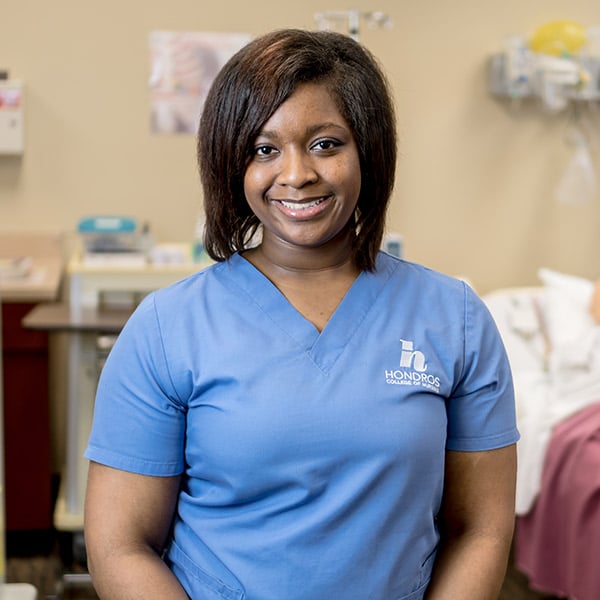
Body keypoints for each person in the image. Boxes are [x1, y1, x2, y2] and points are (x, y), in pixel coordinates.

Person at [84, 28, 519, 600]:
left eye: (325, 144)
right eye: (265, 149)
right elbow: (120, 545)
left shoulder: (453, 319)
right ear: (231, 163)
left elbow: (482, 531)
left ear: (369, 148)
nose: (296, 174)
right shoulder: (168, 327)